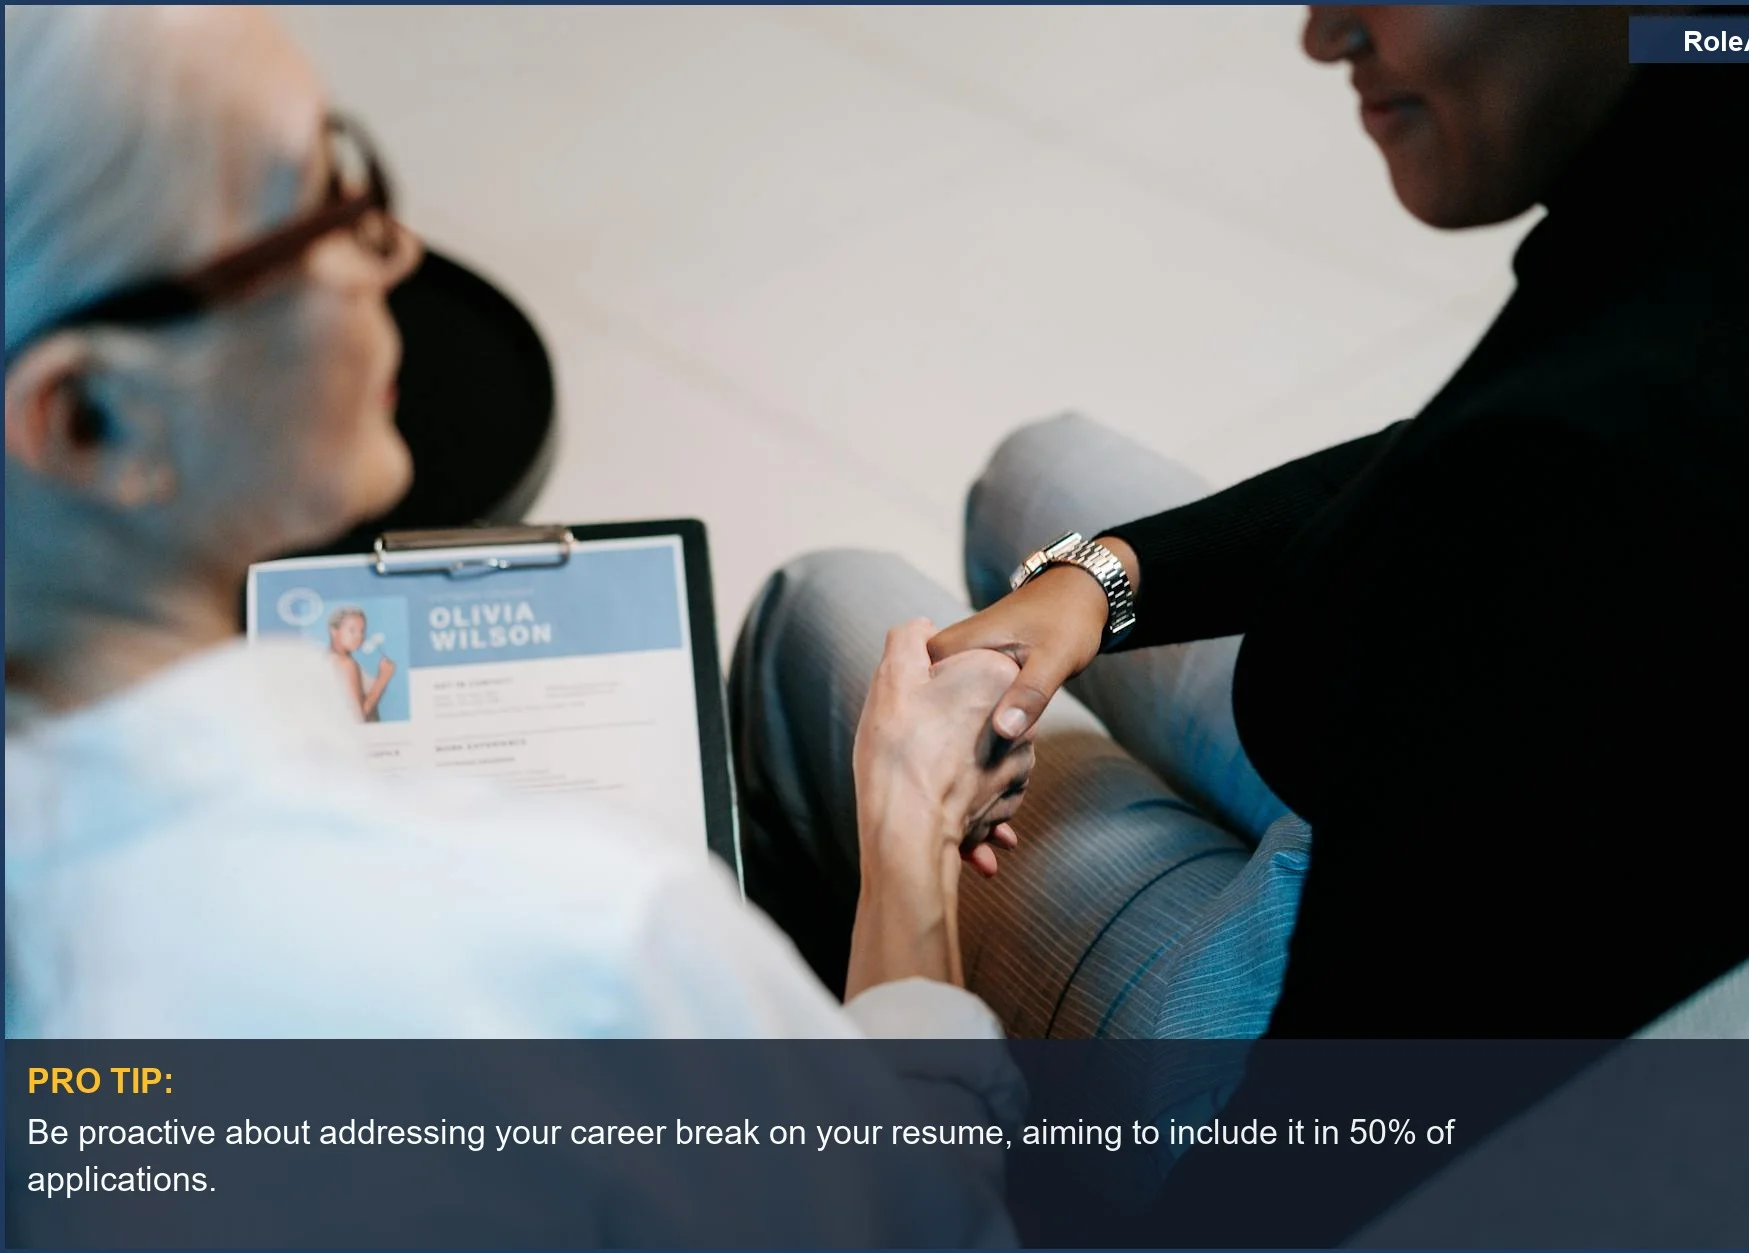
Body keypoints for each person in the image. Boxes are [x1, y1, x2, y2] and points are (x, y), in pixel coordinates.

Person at [3, 12, 1032, 1228]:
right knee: (827, 597)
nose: (391, 249)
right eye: (319, 205)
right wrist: (908, 826)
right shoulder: (583, 943)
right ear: (84, 421)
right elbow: (914, 1217)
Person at [735, 3, 1749, 1050]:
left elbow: (1306, 1173)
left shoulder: (1566, 488)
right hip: (1533, 816)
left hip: (1403, 1048)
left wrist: (903, 850)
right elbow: (1473, 447)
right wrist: (1105, 576)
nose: (1321, 35)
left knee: (817, 611)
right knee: (1032, 483)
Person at [326, 606, 394, 722]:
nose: (359, 637)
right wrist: (383, 677)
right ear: (334, 631)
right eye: (352, 631)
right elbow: (359, 715)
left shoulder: (326, 659)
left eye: (362, 631)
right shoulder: (347, 664)